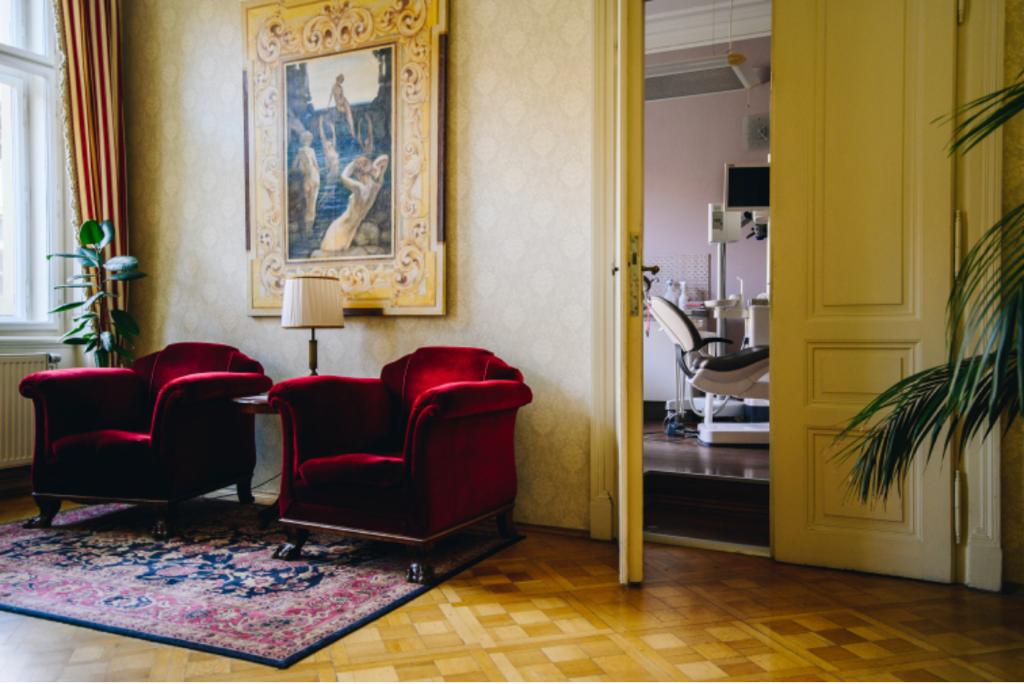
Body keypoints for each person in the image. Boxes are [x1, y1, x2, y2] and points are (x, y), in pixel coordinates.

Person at [317, 154, 389, 253]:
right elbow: (385, 158)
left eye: (356, 175)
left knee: (326, 254)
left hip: (339, 229)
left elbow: (343, 176)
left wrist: (353, 164)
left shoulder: (359, 188)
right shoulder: (376, 186)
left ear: (358, 174)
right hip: (350, 232)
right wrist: (374, 167)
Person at [291, 130, 320, 234]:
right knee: (312, 203)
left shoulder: (299, 152)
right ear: (310, 140)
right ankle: (309, 228)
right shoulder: (311, 151)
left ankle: (306, 228)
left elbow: (294, 167)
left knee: (306, 203)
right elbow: (316, 165)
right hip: (314, 178)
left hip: (306, 179)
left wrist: (301, 169)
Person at [329, 73, 356, 140]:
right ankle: (351, 130)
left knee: (349, 114)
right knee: (348, 114)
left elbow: (343, 96)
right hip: (339, 104)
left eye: (341, 81)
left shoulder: (341, 87)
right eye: (340, 80)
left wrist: (343, 102)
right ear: (337, 79)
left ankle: (351, 129)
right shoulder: (333, 87)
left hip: (343, 102)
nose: (340, 82)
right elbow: (331, 96)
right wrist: (328, 105)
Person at [318, 115, 340, 179]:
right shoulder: (326, 145)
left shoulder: (332, 146)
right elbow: (322, 135)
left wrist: (333, 129)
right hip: (331, 166)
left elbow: (334, 137)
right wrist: (320, 123)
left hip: (334, 166)